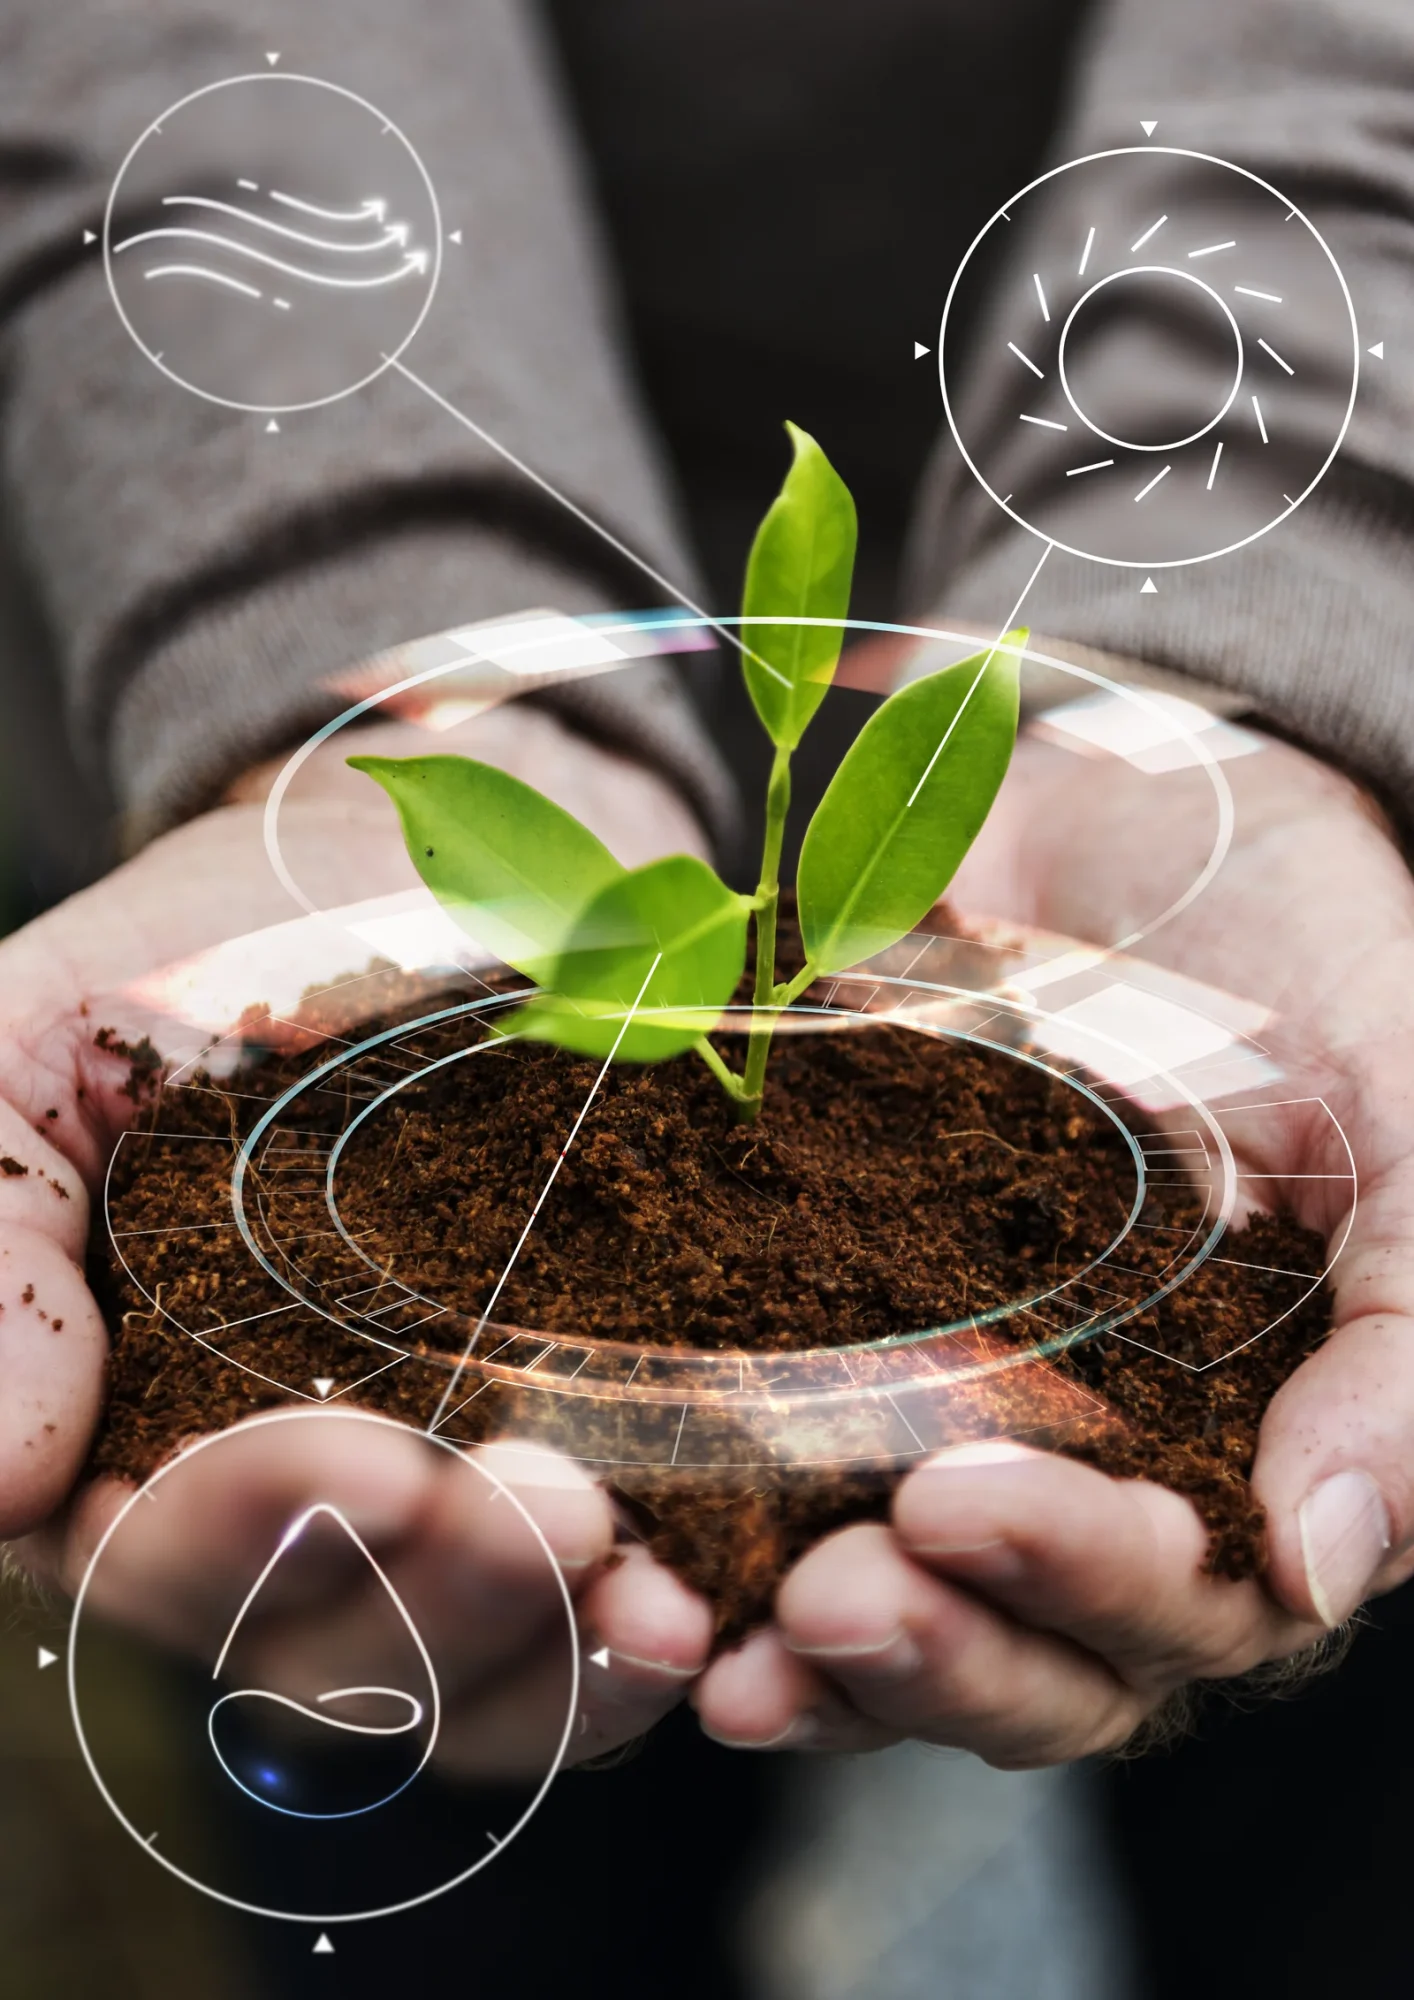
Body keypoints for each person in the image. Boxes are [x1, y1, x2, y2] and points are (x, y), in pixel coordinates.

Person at [1, 2, 1412, 1991]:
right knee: (450, 1811)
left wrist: (1263, 615)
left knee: (1322, 1832)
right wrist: (346, 609)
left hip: (1330, 722)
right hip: (274, 518)